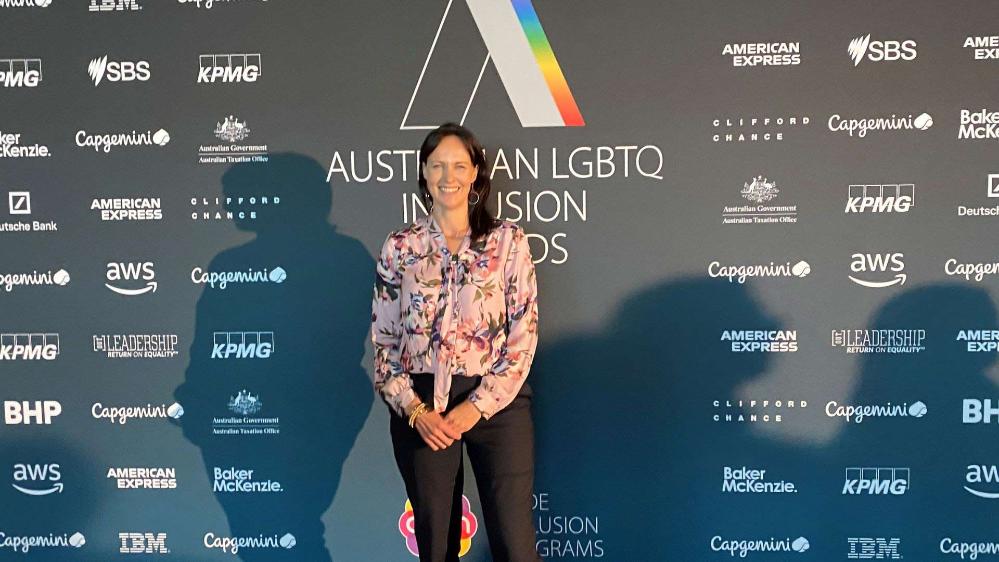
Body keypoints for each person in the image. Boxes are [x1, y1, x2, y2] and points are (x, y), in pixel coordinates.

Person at [371, 123, 541, 562]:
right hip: (422, 408)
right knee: (436, 545)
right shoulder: (400, 246)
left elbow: (523, 335)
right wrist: (413, 410)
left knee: (514, 542)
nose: (449, 176)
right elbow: (385, 342)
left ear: (476, 174)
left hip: (496, 403)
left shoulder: (508, 241)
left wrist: (473, 409)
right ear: (424, 174)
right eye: (438, 165)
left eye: (459, 165)